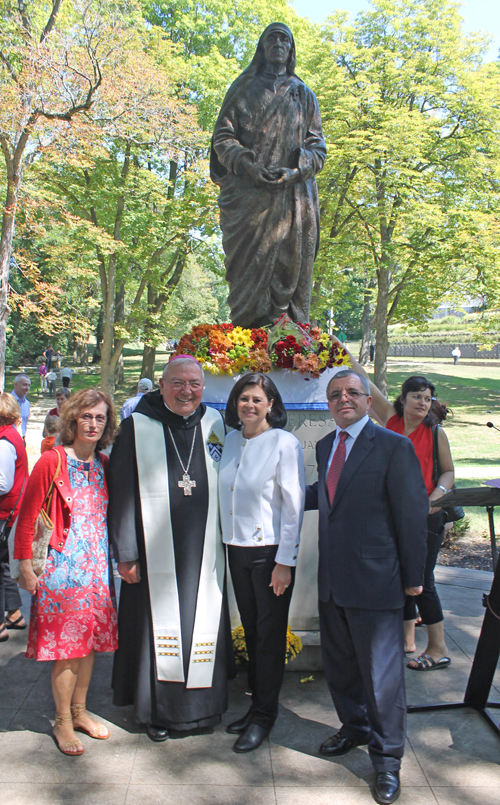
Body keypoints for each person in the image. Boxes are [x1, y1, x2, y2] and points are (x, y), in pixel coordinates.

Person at [305, 369, 428, 805]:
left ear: (367, 398)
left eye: (352, 393)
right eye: (335, 394)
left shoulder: (394, 446)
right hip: (333, 582)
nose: (343, 399)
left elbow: (412, 517)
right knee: (340, 669)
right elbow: (329, 495)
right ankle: (354, 728)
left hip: (378, 582)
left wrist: (414, 579)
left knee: (382, 678)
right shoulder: (325, 446)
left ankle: (388, 760)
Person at [108, 355, 231, 743]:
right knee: (156, 629)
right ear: (162, 386)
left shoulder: (214, 424)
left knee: (203, 622)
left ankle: (205, 707)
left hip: (204, 553)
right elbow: (122, 493)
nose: (186, 391)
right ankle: (157, 711)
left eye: (194, 383)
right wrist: (126, 554)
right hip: (152, 552)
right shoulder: (136, 427)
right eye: (177, 383)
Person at [14, 389, 118, 756]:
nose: (93, 423)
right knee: (66, 650)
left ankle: (79, 712)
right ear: (73, 419)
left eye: (100, 417)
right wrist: (25, 566)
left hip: (96, 570)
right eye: (86, 416)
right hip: (61, 571)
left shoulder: (104, 463)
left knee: (87, 646)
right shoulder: (52, 461)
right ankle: (61, 721)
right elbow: (27, 518)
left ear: (107, 424)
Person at [343, 349, 455, 670]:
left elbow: (448, 471)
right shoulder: (390, 420)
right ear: (402, 400)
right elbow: (361, 377)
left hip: (425, 518)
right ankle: (407, 641)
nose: (423, 402)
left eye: (428, 398)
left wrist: (435, 498)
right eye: (417, 396)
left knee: (423, 580)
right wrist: (335, 344)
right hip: (393, 518)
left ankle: (438, 648)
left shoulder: (435, 433)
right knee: (400, 578)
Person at [211, 22, 326, 328]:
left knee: (290, 267)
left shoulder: (304, 95)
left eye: (284, 39)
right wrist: (246, 164)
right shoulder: (243, 89)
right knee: (247, 273)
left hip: (292, 200)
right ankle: (244, 343)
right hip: (250, 200)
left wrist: (295, 171)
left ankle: (288, 344)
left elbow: (318, 148)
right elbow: (222, 138)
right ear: (261, 47)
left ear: (291, 50)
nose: (278, 43)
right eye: (272, 38)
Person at [219, 373, 305, 753]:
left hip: (270, 554)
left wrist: (285, 561)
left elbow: (293, 506)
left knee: (269, 637)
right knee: (252, 632)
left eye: (257, 399)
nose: (249, 405)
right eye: (243, 398)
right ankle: (256, 706)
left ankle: (265, 716)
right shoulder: (230, 440)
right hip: (235, 550)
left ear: (271, 404)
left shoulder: (284, 444)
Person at [0, 394, 28, 642]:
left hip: (4, 513)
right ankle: (14, 614)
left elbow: (2, 483)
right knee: (2, 565)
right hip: (9, 514)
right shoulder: (10, 435)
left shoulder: (4, 440)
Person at [10, 373, 31, 439]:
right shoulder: (7, 402)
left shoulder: (27, 404)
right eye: (24, 385)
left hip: (22, 438)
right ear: (15, 384)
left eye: (29, 385)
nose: (27, 388)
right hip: (9, 438)